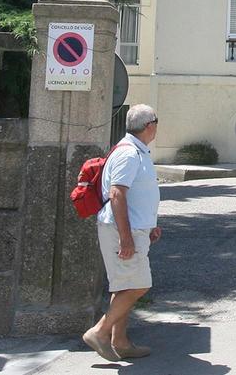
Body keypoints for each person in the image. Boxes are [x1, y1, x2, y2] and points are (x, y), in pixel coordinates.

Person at [82, 103, 162, 361]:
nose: (157, 126)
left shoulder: (136, 151)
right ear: (149, 125)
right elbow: (117, 194)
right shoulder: (129, 154)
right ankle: (100, 331)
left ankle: (121, 341)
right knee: (139, 285)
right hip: (122, 231)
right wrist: (127, 237)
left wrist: (149, 225)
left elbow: (135, 194)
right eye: (156, 121)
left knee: (124, 286)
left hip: (133, 228)